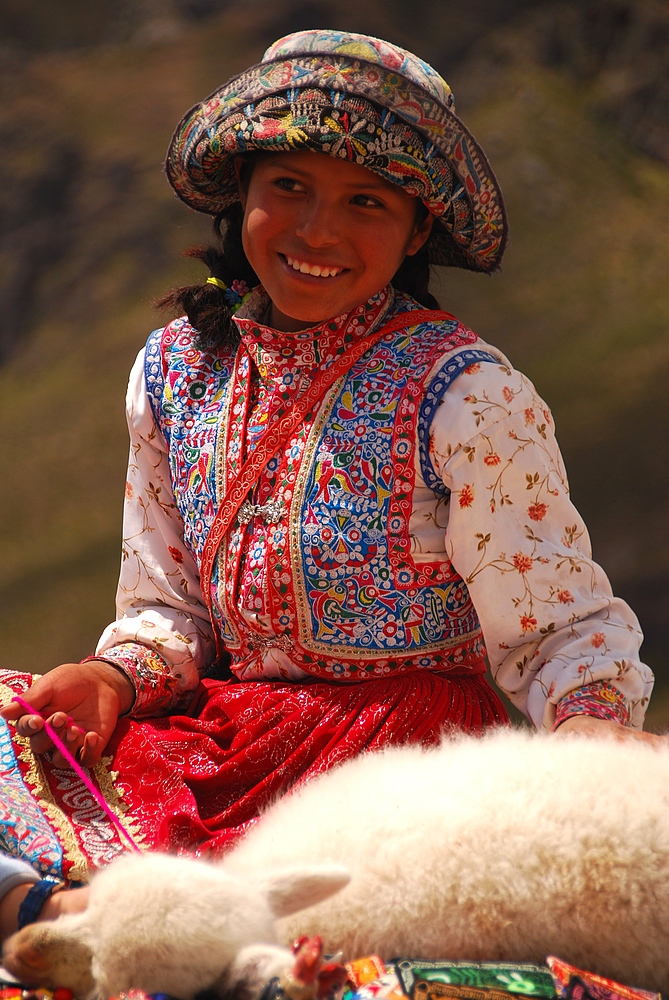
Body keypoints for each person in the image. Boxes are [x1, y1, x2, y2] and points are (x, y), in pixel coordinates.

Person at [0, 29, 658, 943]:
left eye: (366, 202)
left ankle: (107, 919)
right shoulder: (175, 371)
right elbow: (168, 608)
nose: (318, 232)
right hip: (221, 740)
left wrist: (588, 726)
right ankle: (64, 913)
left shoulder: (467, 395)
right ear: (244, 192)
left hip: (398, 763)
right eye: (291, 188)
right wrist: (114, 676)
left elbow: (558, 624)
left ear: (418, 226)